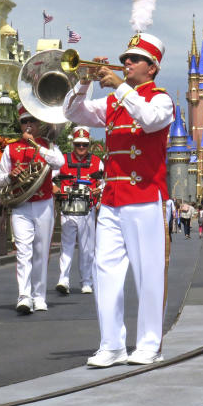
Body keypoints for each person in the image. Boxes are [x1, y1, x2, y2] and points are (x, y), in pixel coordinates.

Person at [63, 31, 174, 367]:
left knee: (148, 273)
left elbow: (150, 119)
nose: (125, 63)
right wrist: (84, 82)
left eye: (133, 59)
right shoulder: (111, 103)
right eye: (125, 58)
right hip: (111, 198)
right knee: (105, 272)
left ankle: (150, 344)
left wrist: (120, 88)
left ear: (151, 67)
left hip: (143, 197)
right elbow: (73, 114)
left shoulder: (162, 99)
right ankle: (111, 344)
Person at [0, 104, 65, 314]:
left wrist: (37, 146)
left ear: (38, 124)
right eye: (24, 122)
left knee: (41, 251)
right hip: (21, 204)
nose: (28, 126)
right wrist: (11, 176)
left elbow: (59, 162)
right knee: (23, 251)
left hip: (43, 203)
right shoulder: (11, 148)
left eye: (31, 122)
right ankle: (24, 296)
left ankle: (39, 296)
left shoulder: (48, 145)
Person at [54, 126, 103, 295]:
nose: (81, 148)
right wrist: (56, 190)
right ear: (73, 144)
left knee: (87, 247)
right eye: (78, 144)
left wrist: (99, 190)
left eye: (84, 144)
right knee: (66, 245)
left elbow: (105, 181)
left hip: (87, 210)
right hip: (68, 209)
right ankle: (64, 279)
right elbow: (51, 179)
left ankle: (86, 281)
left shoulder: (97, 161)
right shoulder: (62, 160)